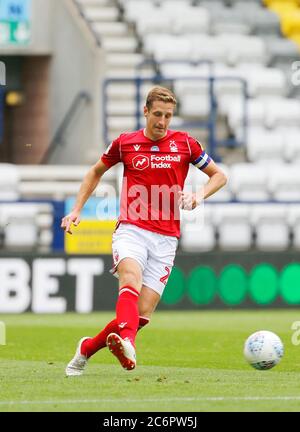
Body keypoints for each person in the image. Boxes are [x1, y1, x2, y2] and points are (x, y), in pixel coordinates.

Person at [61, 86, 227, 376]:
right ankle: (128, 344)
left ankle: (87, 348)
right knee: (130, 278)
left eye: (168, 116)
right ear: (146, 111)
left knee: (142, 314)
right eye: (158, 114)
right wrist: (76, 210)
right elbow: (95, 172)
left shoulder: (185, 145)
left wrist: (198, 195)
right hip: (132, 228)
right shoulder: (125, 143)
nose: (162, 122)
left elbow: (219, 176)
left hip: (166, 238)